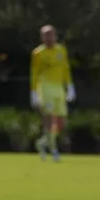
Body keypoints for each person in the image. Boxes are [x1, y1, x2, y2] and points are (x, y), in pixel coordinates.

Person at [30, 25, 75, 160]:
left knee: (60, 122)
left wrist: (70, 86)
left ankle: (43, 143)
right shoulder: (38, 53)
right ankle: (54, 150)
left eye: (51, 35)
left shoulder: (61, 50)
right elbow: (34, 73)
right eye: (45, 35)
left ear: (55, 36)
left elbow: (65, 69)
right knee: (49, 118)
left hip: (58, 88)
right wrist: (34, 92)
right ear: (42, 37)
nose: (49, 38)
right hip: (45, 87)